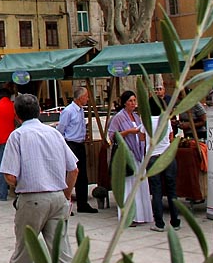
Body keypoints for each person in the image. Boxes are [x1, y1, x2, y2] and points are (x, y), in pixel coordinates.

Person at [0, 94, 77, 263]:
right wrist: (66, 195)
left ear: (17, 115)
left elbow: (10, 176)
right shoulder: (54, 133)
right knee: (62, 253)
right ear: (40, 110)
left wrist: (21, 185)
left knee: (25, 250)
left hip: (32, 198)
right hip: (58, 196)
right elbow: (73, 168)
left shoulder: (18, 136)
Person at [107, 90, 153, 226]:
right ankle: (129, 216)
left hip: (138, 153)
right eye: (130, 101)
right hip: (127, 154)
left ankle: (141, 214)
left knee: (139, 184)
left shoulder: (136, 117)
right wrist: (128, 132)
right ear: (125, 103)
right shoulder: (119, 117)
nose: (133, 103)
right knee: (128, 186)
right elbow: (112, 136)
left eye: (134, 100)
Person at [57, 86, 98, 213]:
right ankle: (64, 203)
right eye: (86, 96)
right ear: (80, 98)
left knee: (82, 175)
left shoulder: (80, 110)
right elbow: (61, 129)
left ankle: (82, 203)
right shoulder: (68, 111)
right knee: (69, 174)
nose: (87, 99)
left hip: (80, 144)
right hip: (71, 144)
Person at [147, 84, 179, 232]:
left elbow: (142, 137)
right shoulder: (165, 119)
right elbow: (171, 136)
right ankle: (175, 221)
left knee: (157, 191)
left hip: (153, 157)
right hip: (167, 156)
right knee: (172, 190)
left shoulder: (145, 121)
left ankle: (159, 223)